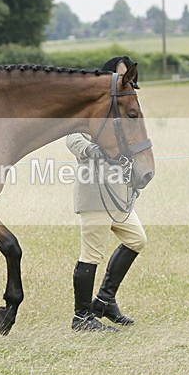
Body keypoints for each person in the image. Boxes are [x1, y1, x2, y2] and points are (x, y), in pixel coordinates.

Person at [66, 56, 147, 332]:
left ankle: (104, 300)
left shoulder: (122, 110)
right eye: (121, 76)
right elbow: (73, 137)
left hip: (118, 195)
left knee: (136, 239)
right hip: (95, 192)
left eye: (128, 77)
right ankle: (81, 317)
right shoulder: (90, 106)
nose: (127, 81)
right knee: (91, 254)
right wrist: (93, 150)